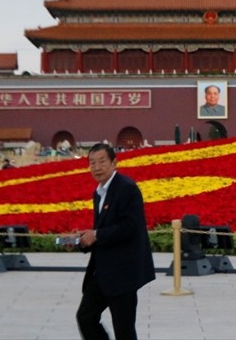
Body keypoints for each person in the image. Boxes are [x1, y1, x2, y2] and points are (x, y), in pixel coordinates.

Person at [71, 142, 156, 340]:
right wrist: (81, 240)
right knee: (85, 317)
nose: (97, 167)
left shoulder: (127, 188)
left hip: (123, 273)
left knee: (124, 330)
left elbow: (130, 226)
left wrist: (96, 235)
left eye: (102, 161)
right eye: (92, 163)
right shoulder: (99, 192)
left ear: (114, 163)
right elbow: (102, 229)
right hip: (102, 272)